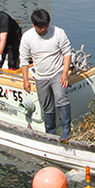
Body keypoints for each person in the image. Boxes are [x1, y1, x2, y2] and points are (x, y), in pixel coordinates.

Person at [20, 9, 73, 140]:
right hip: (40, 76)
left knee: (61, 97)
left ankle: (66, 129)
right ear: (34, 25)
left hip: (57, 72)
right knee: (47, 106)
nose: (44, 29)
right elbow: (24, 59)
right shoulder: (27, 37)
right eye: (40, 27)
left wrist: (65, 73)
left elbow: (67, 52)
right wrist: (25, 80)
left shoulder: (58, 32)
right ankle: (50, 131)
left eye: (46, 26)